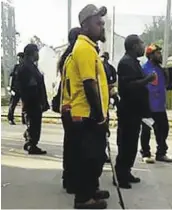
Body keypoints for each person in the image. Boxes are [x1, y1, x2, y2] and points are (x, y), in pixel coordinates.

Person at [64, 4, 110, 209]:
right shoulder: (82, 48)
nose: (102, 26)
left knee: (95, 156)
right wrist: (100, 117)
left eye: (102, 23)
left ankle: (91, 190)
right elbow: (89, 84)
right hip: (86, 114)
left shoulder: (89, 48)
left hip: (91, 114)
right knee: (89, 158)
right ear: (85, 26)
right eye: (98, 23)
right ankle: (83, 198)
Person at [114, 34, 156, 189]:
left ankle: (127, 172)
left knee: (132, 145)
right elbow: (128, 86)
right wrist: (147, 79)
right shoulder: (125, 63)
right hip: (128, 111)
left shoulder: (134, 62)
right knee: (125, 144)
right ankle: (120, 176)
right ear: (134, 46)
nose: (143, 46)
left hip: (135, 111)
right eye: (141, 43)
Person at [55, 27, 81, 193]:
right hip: (73, 107)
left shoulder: (66, 56)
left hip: (66, 107)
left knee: (70, 144)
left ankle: (68, 178)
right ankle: (72, 181)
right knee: (76, 147)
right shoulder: (75, 57)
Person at [139, 44, 172, 163]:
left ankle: (161, 152)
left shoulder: (160, 69)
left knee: (164, 128)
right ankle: (145, 153)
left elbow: (166, 85)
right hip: (148, 105)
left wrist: (168, 77)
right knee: (147, 129)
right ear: (150, 55)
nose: (160, 55)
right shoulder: (144, 69)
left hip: (160, 105)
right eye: (157, 53)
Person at [17, 44, 49, 154]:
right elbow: (31, 85)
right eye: (37, 52)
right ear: (32, 53)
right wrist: (38, 100)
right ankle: (31, 144)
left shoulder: (30, 65)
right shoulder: (27, 67)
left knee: (34, 123)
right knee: (34, 123)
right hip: (32, 101)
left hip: (33, 101)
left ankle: (30, 141)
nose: (38, 54)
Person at [7, 52, 25, 125]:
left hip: (23, 89)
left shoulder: (25, 67)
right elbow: (11, 77)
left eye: (20, 58)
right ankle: (10, 118)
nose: (19, 60)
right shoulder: (16, 67)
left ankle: (24, 119)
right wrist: (10, 88)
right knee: (13, 104)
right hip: (15, 89)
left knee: (24, 105)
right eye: (18, 58)